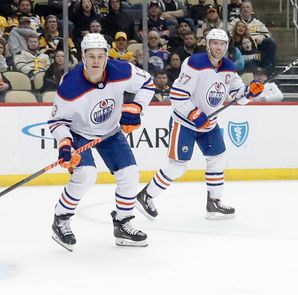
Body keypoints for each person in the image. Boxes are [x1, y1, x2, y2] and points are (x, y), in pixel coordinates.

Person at [134, 29, 265, 221]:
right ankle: (145, 196)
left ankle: (213, 203)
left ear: (226, 46)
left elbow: (239, 96)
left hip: (209, 124)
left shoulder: (228, 67)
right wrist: (193, 113)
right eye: (214, 43)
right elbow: (177, 95)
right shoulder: (194, 63)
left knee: (217, 158)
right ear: (208, 44)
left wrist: (250, 92)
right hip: (185, 122)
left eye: (222, 44)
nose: (218, 47)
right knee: (178, 166)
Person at [48, 34, 155, 251]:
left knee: (130, 174)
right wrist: (65, 143)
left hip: (110, 131)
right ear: (83, 57)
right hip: (79, 133)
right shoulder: (70, 86)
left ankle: (123, 223)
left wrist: (136, 107)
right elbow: (57, 121)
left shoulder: (122, 70)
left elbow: (147, 83)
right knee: (86, 176)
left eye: (101, 55)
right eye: (91, 56)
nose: (96, 61)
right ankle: (61, 218)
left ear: (107, 56)